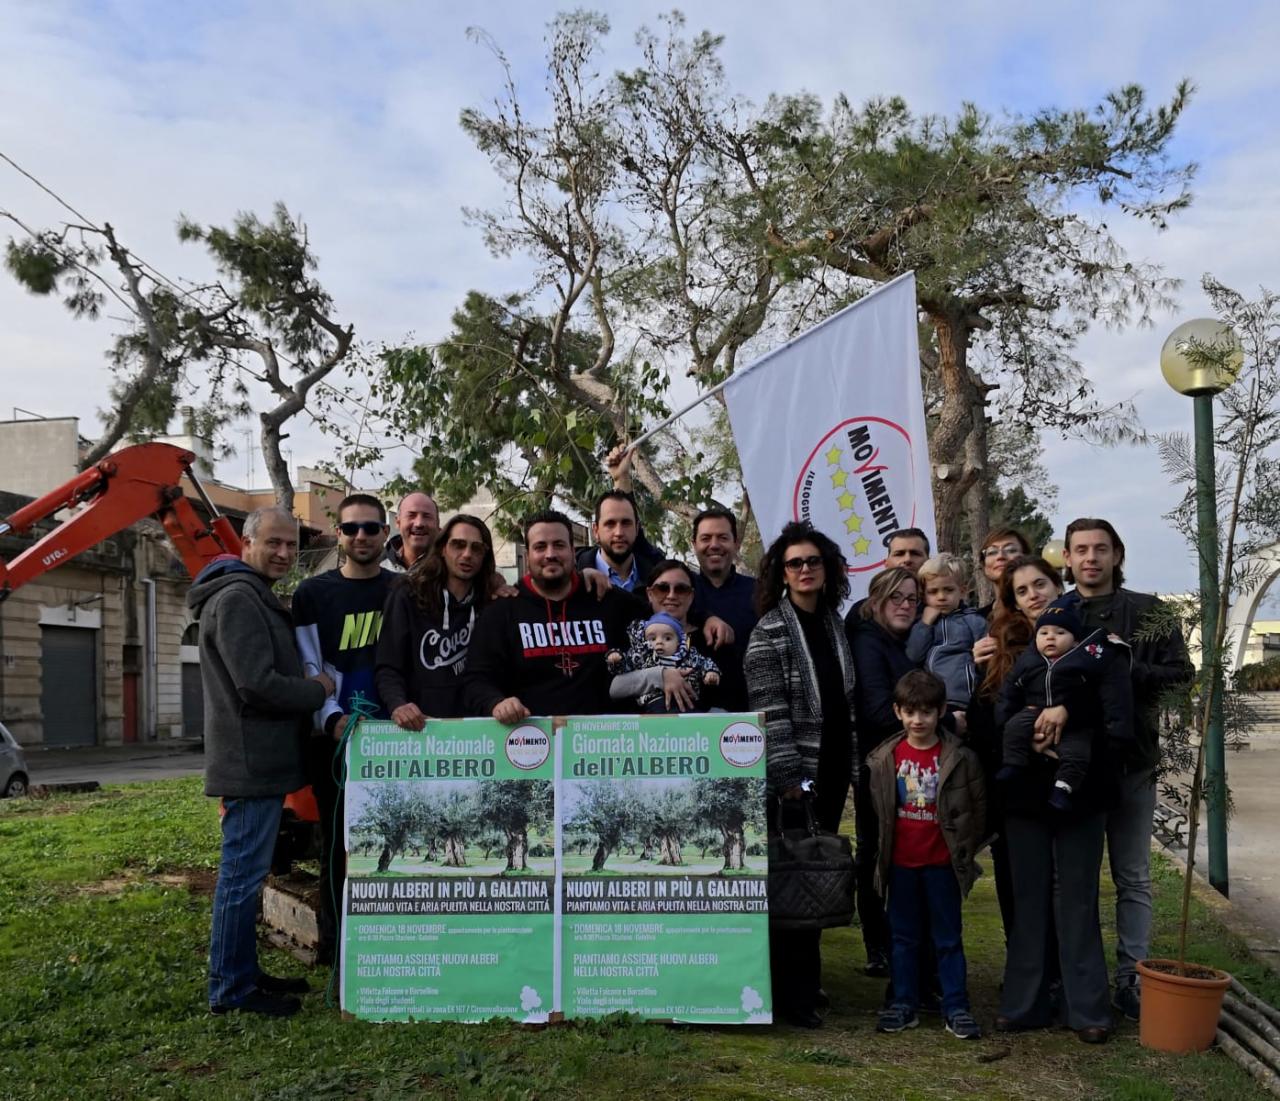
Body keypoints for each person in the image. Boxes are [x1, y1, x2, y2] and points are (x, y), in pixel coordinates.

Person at [187, 506, 335, 1017]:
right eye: (273, 543)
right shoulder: (237, 599)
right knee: (240, 879)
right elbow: (256, 685)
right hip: (251, 765)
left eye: (291, 546)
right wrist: (316, 690)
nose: (283, 553)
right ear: (246, 543)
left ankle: (242, 974)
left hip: (260, 761)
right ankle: (230, 988)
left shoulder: (249, 594)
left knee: (245, 877)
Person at [1060, 518, 1193, 1021]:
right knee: (1076, 881)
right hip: (1075, 767)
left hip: (1135, 761)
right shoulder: (1059, 610)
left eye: (1100, 549)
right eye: (1081, 550)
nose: (1090, 558)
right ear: (1068, 558)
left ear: (1117, 554)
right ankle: (1083, 980)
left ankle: (1132, 979)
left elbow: (1183, 676)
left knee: (1133, 877)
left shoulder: (1149, 611)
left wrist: (1126, 667)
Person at [987, 555, 1121, 1043]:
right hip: (1024, 790)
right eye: (1021, 591)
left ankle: (1086, 1007)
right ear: (1013, 601)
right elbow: (994, 717)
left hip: (1081, 785)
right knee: (1029, 897)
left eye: (1039, 583)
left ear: (1056, 583)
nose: (1033, 595)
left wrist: (1068, 710)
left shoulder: (1095, 639)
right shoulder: (1002, 650)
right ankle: (1025, 1003)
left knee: (1077, 896)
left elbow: (1116, 697)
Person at [745, 520, 858, 1029]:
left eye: (814, 561)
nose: (806, 569)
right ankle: (790, 997)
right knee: (792, 880)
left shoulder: (835, 623)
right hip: (796, 779)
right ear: (781, 573)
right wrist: (793, 781)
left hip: (833, 769)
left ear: (828, 568)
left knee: (812, 875)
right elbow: (769, 713)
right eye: (795, 563)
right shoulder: (770, 631)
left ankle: (807, 985)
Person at [292, 493, 395, 966]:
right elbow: (309, 666)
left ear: (385, 534)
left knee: (394, 837)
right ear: (338, 534)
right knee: (337, 844)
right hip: (336, 742)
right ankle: (336, 944)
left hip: (398, 741)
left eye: (371, 528)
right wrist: (330, 719)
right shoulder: (313, 594)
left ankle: (392, 934)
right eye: (351, 528)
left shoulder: (403, 590)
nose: (361, 536)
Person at [868, 670, 985, 1040]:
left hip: (942, 865)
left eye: (927, 712)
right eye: (911, 712)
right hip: (901, 865)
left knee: (948, 938)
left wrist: (964, 851)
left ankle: (956, 1006)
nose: (918, 720)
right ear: (898, 712)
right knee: (903, 938)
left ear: (941, 711)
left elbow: (977, 808)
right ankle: (904, 1003)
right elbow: (878, 813)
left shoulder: (960, 758)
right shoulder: (885, 758)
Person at [465, 510, 646, 720]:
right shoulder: (501, 612)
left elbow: (665, 614)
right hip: (529, 743)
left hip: (603, 743)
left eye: (559, 545)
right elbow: (476, 679)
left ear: (572, 550)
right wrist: (495, 702)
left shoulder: (608, 601)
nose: (550, 554)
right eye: (540, 547)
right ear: (528, 553)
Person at [846, 566, 920, 977]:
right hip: (879, 768)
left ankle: (897, 941)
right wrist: (941, 722)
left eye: (912, 598)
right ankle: (879, 945)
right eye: (897, 597)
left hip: (906, 766)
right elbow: (876, 712)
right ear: (876, 602)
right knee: (875, 854)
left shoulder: (903, 641)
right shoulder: (869, 642)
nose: (906, 605)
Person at [996, 597, 1133, 812]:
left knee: (1077, 753)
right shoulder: (1029, 660)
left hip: (1075, 725)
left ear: (1076, 641)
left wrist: (1073, 709)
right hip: (1034, 712)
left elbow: (1105, 695)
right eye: (1044, 633)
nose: (1051, 637)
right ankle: (1013, 763)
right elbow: (1010, 688)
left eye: (1060, 633)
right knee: (1014, 728)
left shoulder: (1084, 661)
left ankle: (1064, 787)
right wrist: (1004, 718)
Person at [376, 514, 498, 727]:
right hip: (422, 729)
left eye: (476, 548)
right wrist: (397, 704)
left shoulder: (492, 602)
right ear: (442, 548)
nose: (467, 554)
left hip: (479, 732)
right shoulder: (407, 594)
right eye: (458, 545)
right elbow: (388, 665)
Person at [690, 507, 757, 710]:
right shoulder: (680, 590)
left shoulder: (759, 592)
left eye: (722, 538)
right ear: (694, 544)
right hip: (688, 721)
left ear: (736, 543)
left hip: (746, 717)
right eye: (706, 538)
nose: (714, 545)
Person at [904, 554, 987, 714]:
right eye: (933, 592)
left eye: (948, 590)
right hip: (929, 699)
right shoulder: (922, 622)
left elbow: (987, 661)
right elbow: (913, 655)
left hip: (964, 698)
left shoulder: (974, 620)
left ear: (962, 591)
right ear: (924, 596)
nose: (941, 597)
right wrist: (925, 624)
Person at [607, 610, 720, 712]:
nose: (659, 642)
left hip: (689, 702)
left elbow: (705, 663)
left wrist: (710, 673)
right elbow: (624, 669)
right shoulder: (641, 656)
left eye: (667, 638)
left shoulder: (689, 655)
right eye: (652, 639)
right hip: (656, 703)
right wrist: (617, 659)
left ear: (679, 642)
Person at [974, 528, 1032, 619]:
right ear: (984, 565)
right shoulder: (976, 619)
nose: (1000, 556)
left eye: (1011, 550)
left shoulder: (1040, 610)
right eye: (992, 552)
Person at [384, 491, 439, 572]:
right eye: (411, 515)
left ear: (437, 523)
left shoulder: (451, 567)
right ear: (397, 522)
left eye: (427, 516)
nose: (419, 523)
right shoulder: (376, 567)